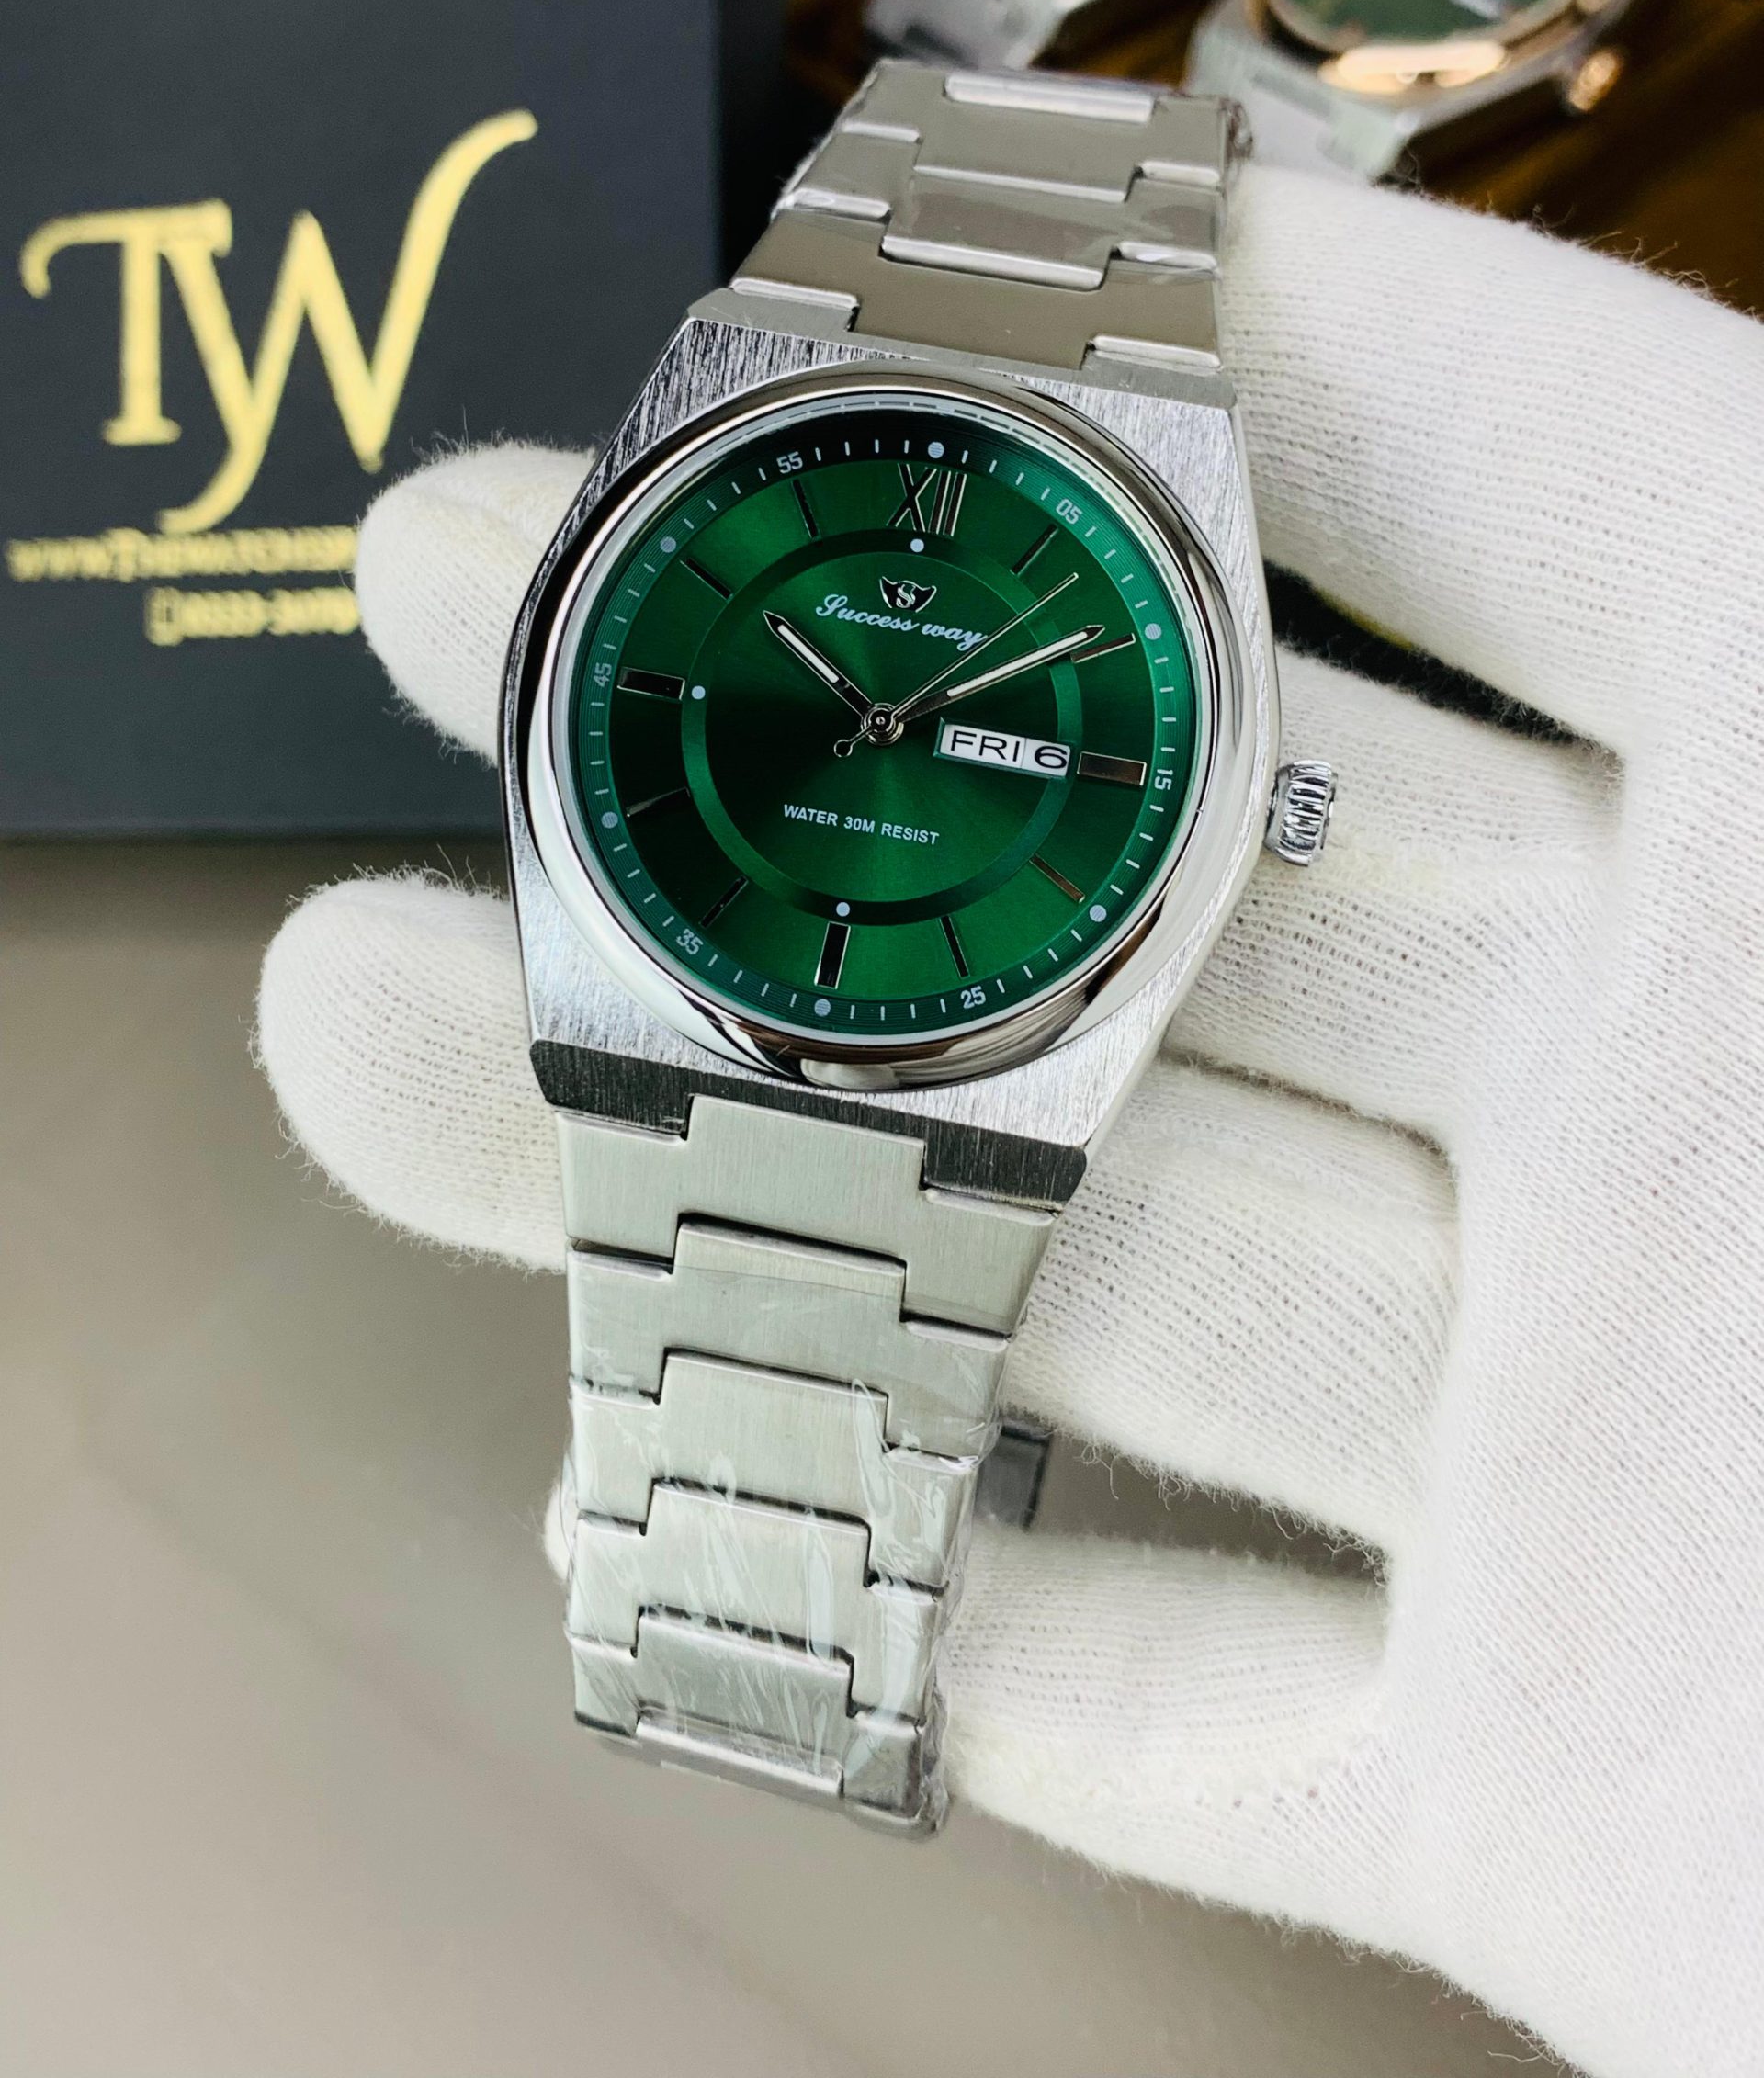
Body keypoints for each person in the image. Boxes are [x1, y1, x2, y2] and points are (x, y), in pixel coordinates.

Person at [259, 159, 1764, 2078]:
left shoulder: (1185, 772)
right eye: (854, 695)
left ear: (1260, 801)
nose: (882, 722)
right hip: (711, 975)